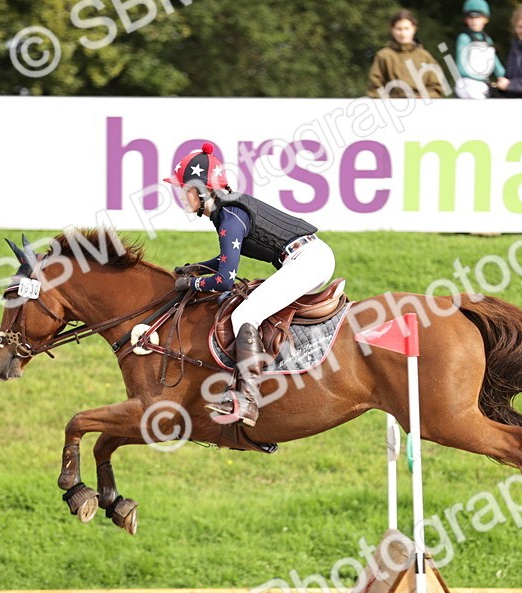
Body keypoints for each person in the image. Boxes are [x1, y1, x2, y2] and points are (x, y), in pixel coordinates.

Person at [165, 144, 336, 428]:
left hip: (308, 260)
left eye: (185, 189)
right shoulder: (227, 211)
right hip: (309, 257)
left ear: (202, 190)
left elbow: (224, 280)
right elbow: (224, 260)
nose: (181, 196)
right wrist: (195, 266)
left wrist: (191, 282)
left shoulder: (228, 217)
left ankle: (246, 398)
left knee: (244, 315)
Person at [366, 9, 445, 99]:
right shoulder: (383, 56)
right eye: (399, 29)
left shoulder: (425, 57)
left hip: (421, 107)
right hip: (391, 106)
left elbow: (435, 86)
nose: (403, 33)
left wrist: (423, 97)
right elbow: (375, 86)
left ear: (414, 29)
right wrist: (387, 101)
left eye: (406, 29)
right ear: (392, 30)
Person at [454, 0, 509, 99]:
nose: (474, 21)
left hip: (482, 84)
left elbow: (495, 62)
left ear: (485, 19)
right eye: (471, 18)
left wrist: (505, 77)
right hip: (467, 82)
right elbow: (461, 67)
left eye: (478, 18)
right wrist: (482, 79)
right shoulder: (464, 38)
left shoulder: (487, 39)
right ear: (466, 20)